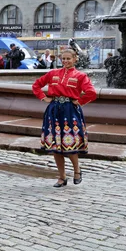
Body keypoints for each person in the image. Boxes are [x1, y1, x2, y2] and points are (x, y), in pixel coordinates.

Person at [32, 48, 97, 188]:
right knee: (55, 145)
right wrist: (44, 98)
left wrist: (79, 101)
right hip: (54, 110)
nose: (66, 61)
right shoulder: (52, 73)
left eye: (69, 58)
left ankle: (77, 170)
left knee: (70, 142)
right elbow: (36, 85)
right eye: (64, 58)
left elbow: (91, 92)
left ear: (75, 59)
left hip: (70, 112)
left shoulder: (81, 76)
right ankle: (61, 176)